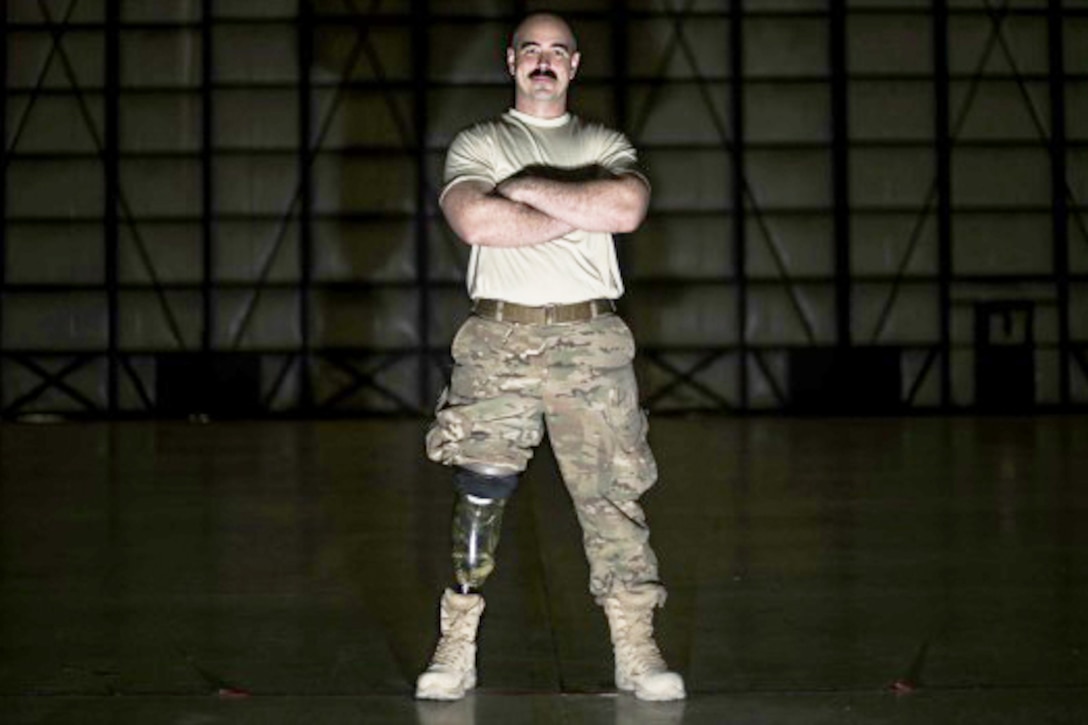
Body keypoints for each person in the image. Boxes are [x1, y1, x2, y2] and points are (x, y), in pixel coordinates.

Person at [415, 12, 685, 703]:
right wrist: (580, 205)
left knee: (611, 499)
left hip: (589, 343)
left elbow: (626, 208)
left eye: (556, 51)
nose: (543, 60)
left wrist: (528, 188)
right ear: (510, 60)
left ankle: (635, 647)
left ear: (574, 64)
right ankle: (457, 643)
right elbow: (475, 220)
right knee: (480, 496)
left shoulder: (604, 140)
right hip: (498, 343)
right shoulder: (479, 141)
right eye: (530, 49)